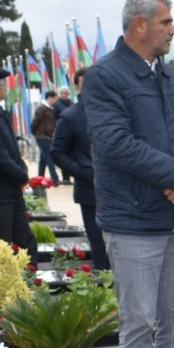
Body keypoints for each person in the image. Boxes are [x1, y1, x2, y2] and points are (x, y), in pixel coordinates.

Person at [83, 0, 174, 348]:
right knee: (138, 323)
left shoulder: (168, 75)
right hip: (133, 222)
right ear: (140, 25)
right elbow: (115, 143)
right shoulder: (104, 77)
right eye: (166, 22)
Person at [51, 66, 110, 272]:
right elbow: (57, 152)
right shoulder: (70, 117)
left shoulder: (111, 111)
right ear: (77, 86)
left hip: (119, 191)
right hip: (90, 192)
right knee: (100, 248)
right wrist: (83, 172)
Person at [0, 64, 37, 254]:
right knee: (2, 244)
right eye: (5, 85)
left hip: (10, 188)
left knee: (25, 241)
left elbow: (10, 147)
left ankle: (28, 280)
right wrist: (20, 175)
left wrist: (22, 168)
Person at [30, 90, 61, 184]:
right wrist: (35, 133)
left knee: (43, 159)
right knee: (49, 157)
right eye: (55, 98)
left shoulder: (49, 109)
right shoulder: (41, 108)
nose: (56, 101)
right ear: (50, 98)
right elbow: (35, 122)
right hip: (42, 136)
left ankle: (40, 177)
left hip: (47, 135)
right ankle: (54, 179)